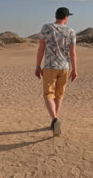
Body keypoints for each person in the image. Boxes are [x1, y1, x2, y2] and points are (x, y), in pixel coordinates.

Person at [35, 7, 78, 137]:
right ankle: (55, 120)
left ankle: (54, 119)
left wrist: (37, 66)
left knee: (48, 94)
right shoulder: (71, 31)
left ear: (56, 16)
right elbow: (73, 53)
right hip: (64, 67)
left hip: (49, 66)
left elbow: (41, 49)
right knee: (58, 95)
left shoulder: (46, 28)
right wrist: (75, 69)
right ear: (65, 17)